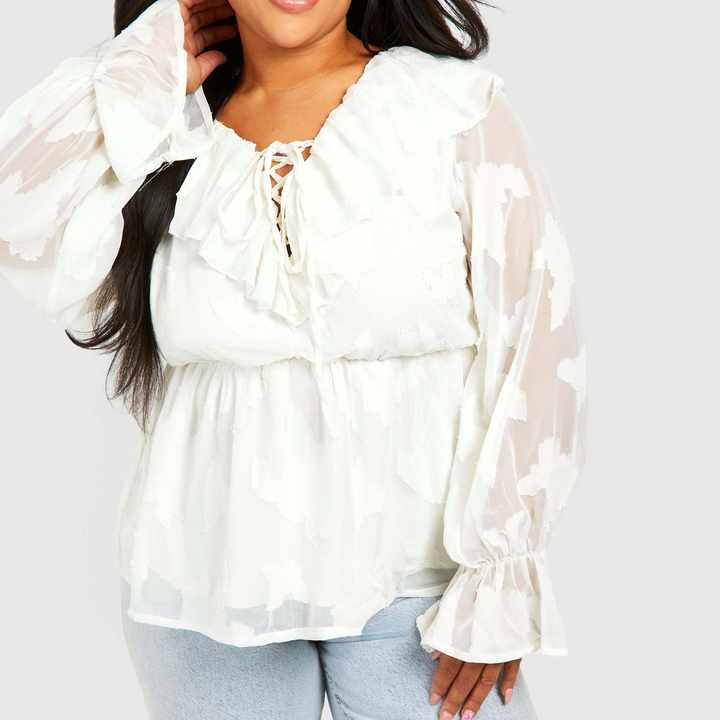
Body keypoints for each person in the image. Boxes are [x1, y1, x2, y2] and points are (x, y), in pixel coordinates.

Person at [0, 0, 588, 718]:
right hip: (200, 586)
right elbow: (17, 218)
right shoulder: (162, 123)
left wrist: (501, 572)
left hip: (423, 587)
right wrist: (136, 72)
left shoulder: (451, 112)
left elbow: (537, 340)